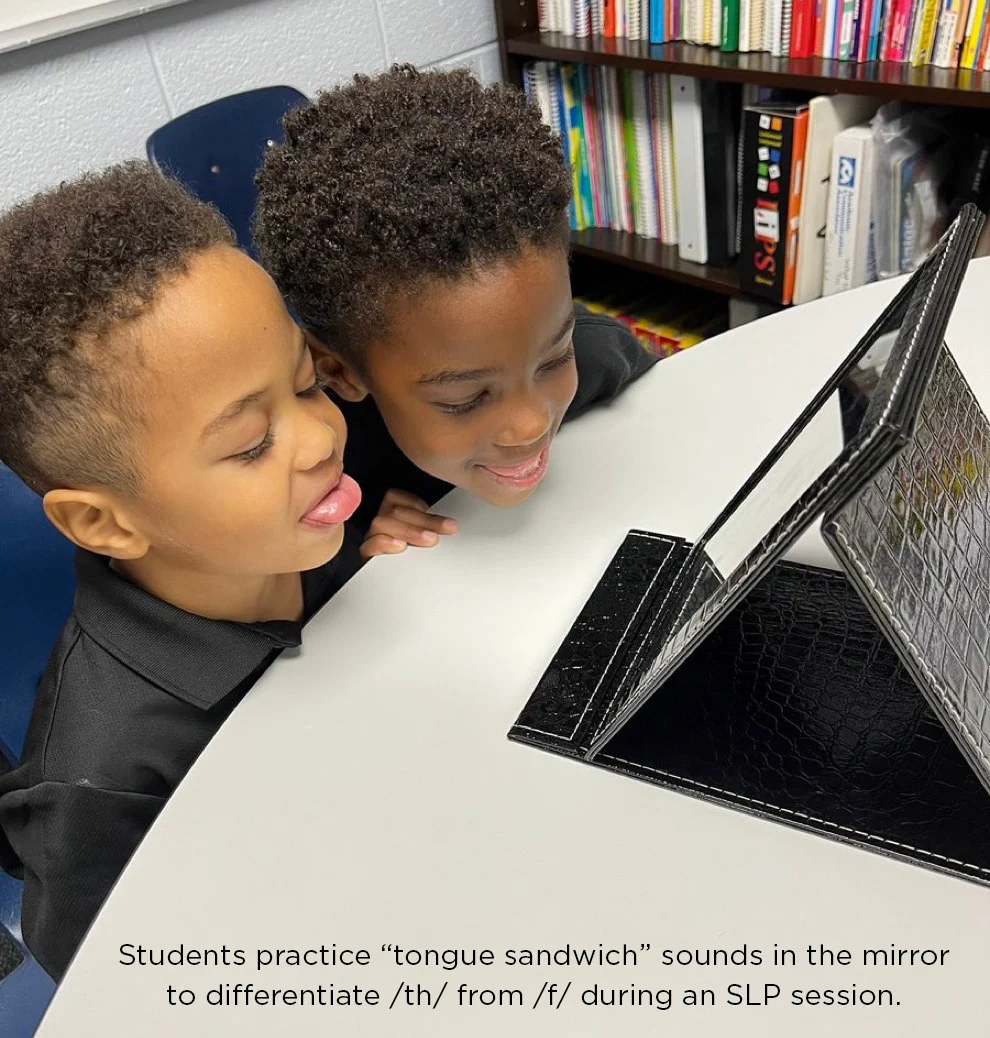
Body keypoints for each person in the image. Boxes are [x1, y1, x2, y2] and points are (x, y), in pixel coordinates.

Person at [0, 163, 360, 980]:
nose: (320, 438)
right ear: (102, 523)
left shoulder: (304, 526)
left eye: (307, 383)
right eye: (249, 445)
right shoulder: (101, 780)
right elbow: (113, 982)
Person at [255, 64, 658, 569]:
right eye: (466, 399)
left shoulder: (599, 355)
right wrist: (360, 552)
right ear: (338, 372)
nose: (531, 424)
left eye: (555, 358)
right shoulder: (320, 472)